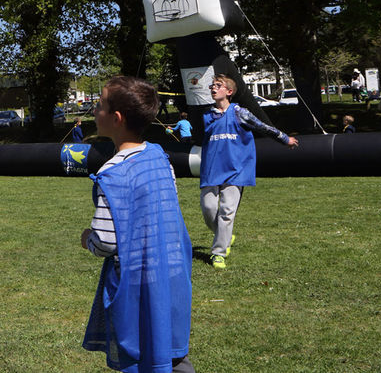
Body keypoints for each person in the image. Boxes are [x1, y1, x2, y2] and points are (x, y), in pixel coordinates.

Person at [81, 76, 194, 373]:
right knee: (171, 350)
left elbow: (106, 241)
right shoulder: (160, 156)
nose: (94, 110)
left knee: (142, 351)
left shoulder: (112, 173)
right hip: (172, 272)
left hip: (136, 282)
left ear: (116, 118)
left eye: (100, 104)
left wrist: (88, 238)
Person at [200, 74, 298, 269]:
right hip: (211, 170)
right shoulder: (207, 116)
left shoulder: (239, 112)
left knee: (227, 212)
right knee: (209, 209)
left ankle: (218, 253)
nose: (213, 88)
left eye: (218, 85)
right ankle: (226, 235)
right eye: (212, 85)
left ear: (229, 92)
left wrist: (284, 139)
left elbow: (262, 126)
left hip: (236, 170)